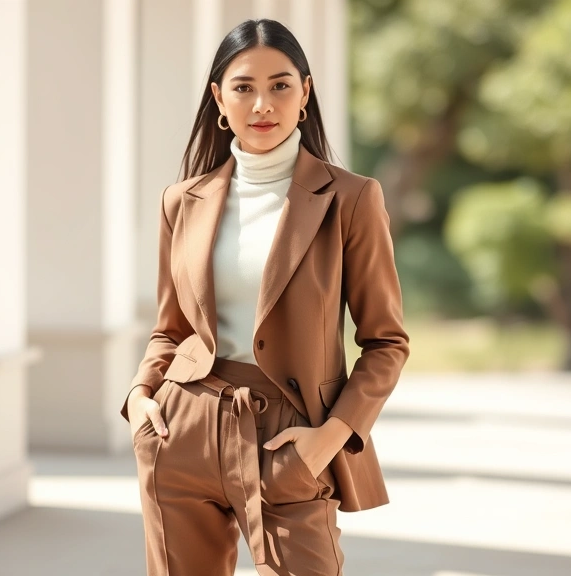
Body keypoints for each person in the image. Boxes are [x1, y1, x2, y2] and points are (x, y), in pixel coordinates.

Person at [120, 18, 410, 576]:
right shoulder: (182, 201)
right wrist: (139, 398)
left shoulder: (350, 199)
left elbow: (386, 342)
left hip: (291, 436)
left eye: (280, 85)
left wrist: (331, 438)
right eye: (243, 87)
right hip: (182, 428)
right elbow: (171, 329)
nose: (262, 104)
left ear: (305, 93)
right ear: (218, 99)